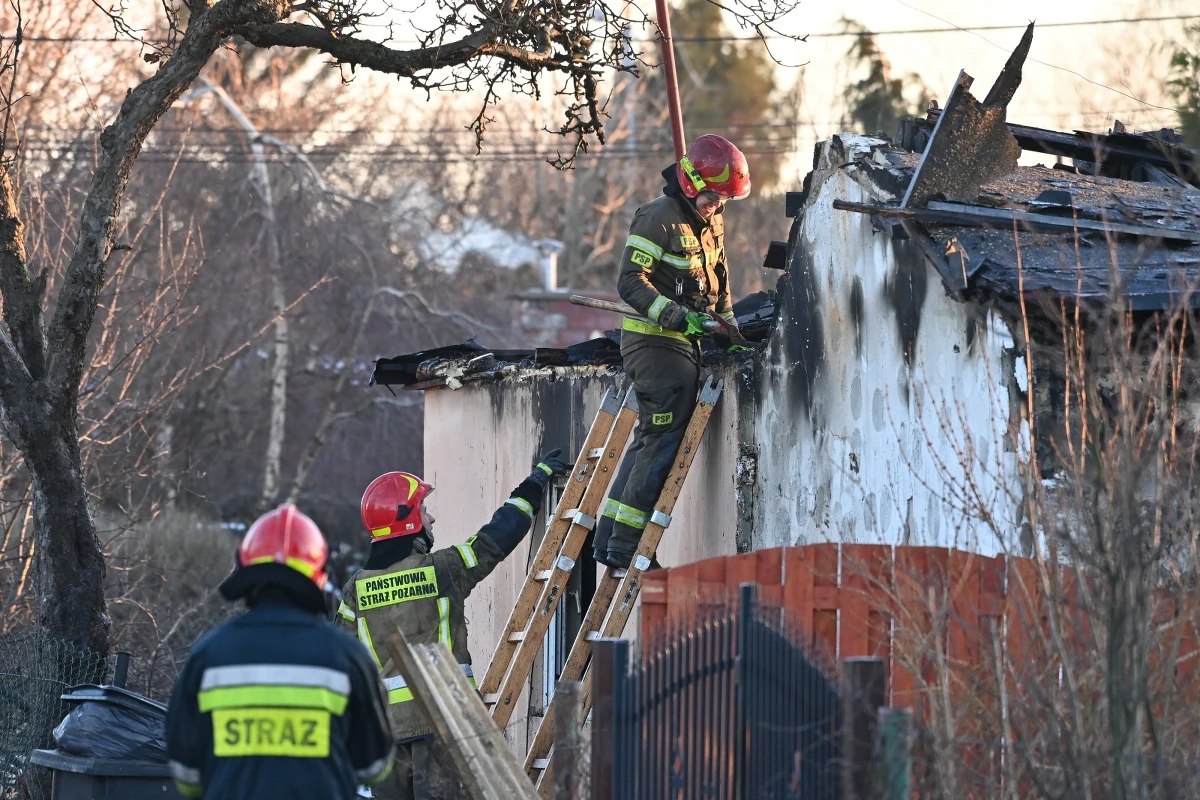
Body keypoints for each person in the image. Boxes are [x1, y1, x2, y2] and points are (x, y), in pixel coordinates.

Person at [338, 448, 569, 800]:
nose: (432, 518)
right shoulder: (443, 569)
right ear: (409, 521)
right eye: (424, 511)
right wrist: (534, 483)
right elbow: (497, 537)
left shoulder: (355, 590)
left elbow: (342, 659)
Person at [593, 134, 752, 569]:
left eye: (724, 201)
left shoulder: (710, 221)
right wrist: (676, 317)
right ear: (690, 184)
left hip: (686, 341)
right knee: (665, 437)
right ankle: (627, 547)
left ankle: (609, 538)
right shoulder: (657, 218)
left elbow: (719, 276)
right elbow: (629, 283)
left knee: (650, 438)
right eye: (713, 198)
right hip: (653, 342)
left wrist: (729, 328)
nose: (717, 207)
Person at [166, 505, 394, 799]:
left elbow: (186, 776)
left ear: (246, 568)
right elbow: (374, 767)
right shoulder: (349, 658)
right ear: (319, 575)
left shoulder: (207, 656)